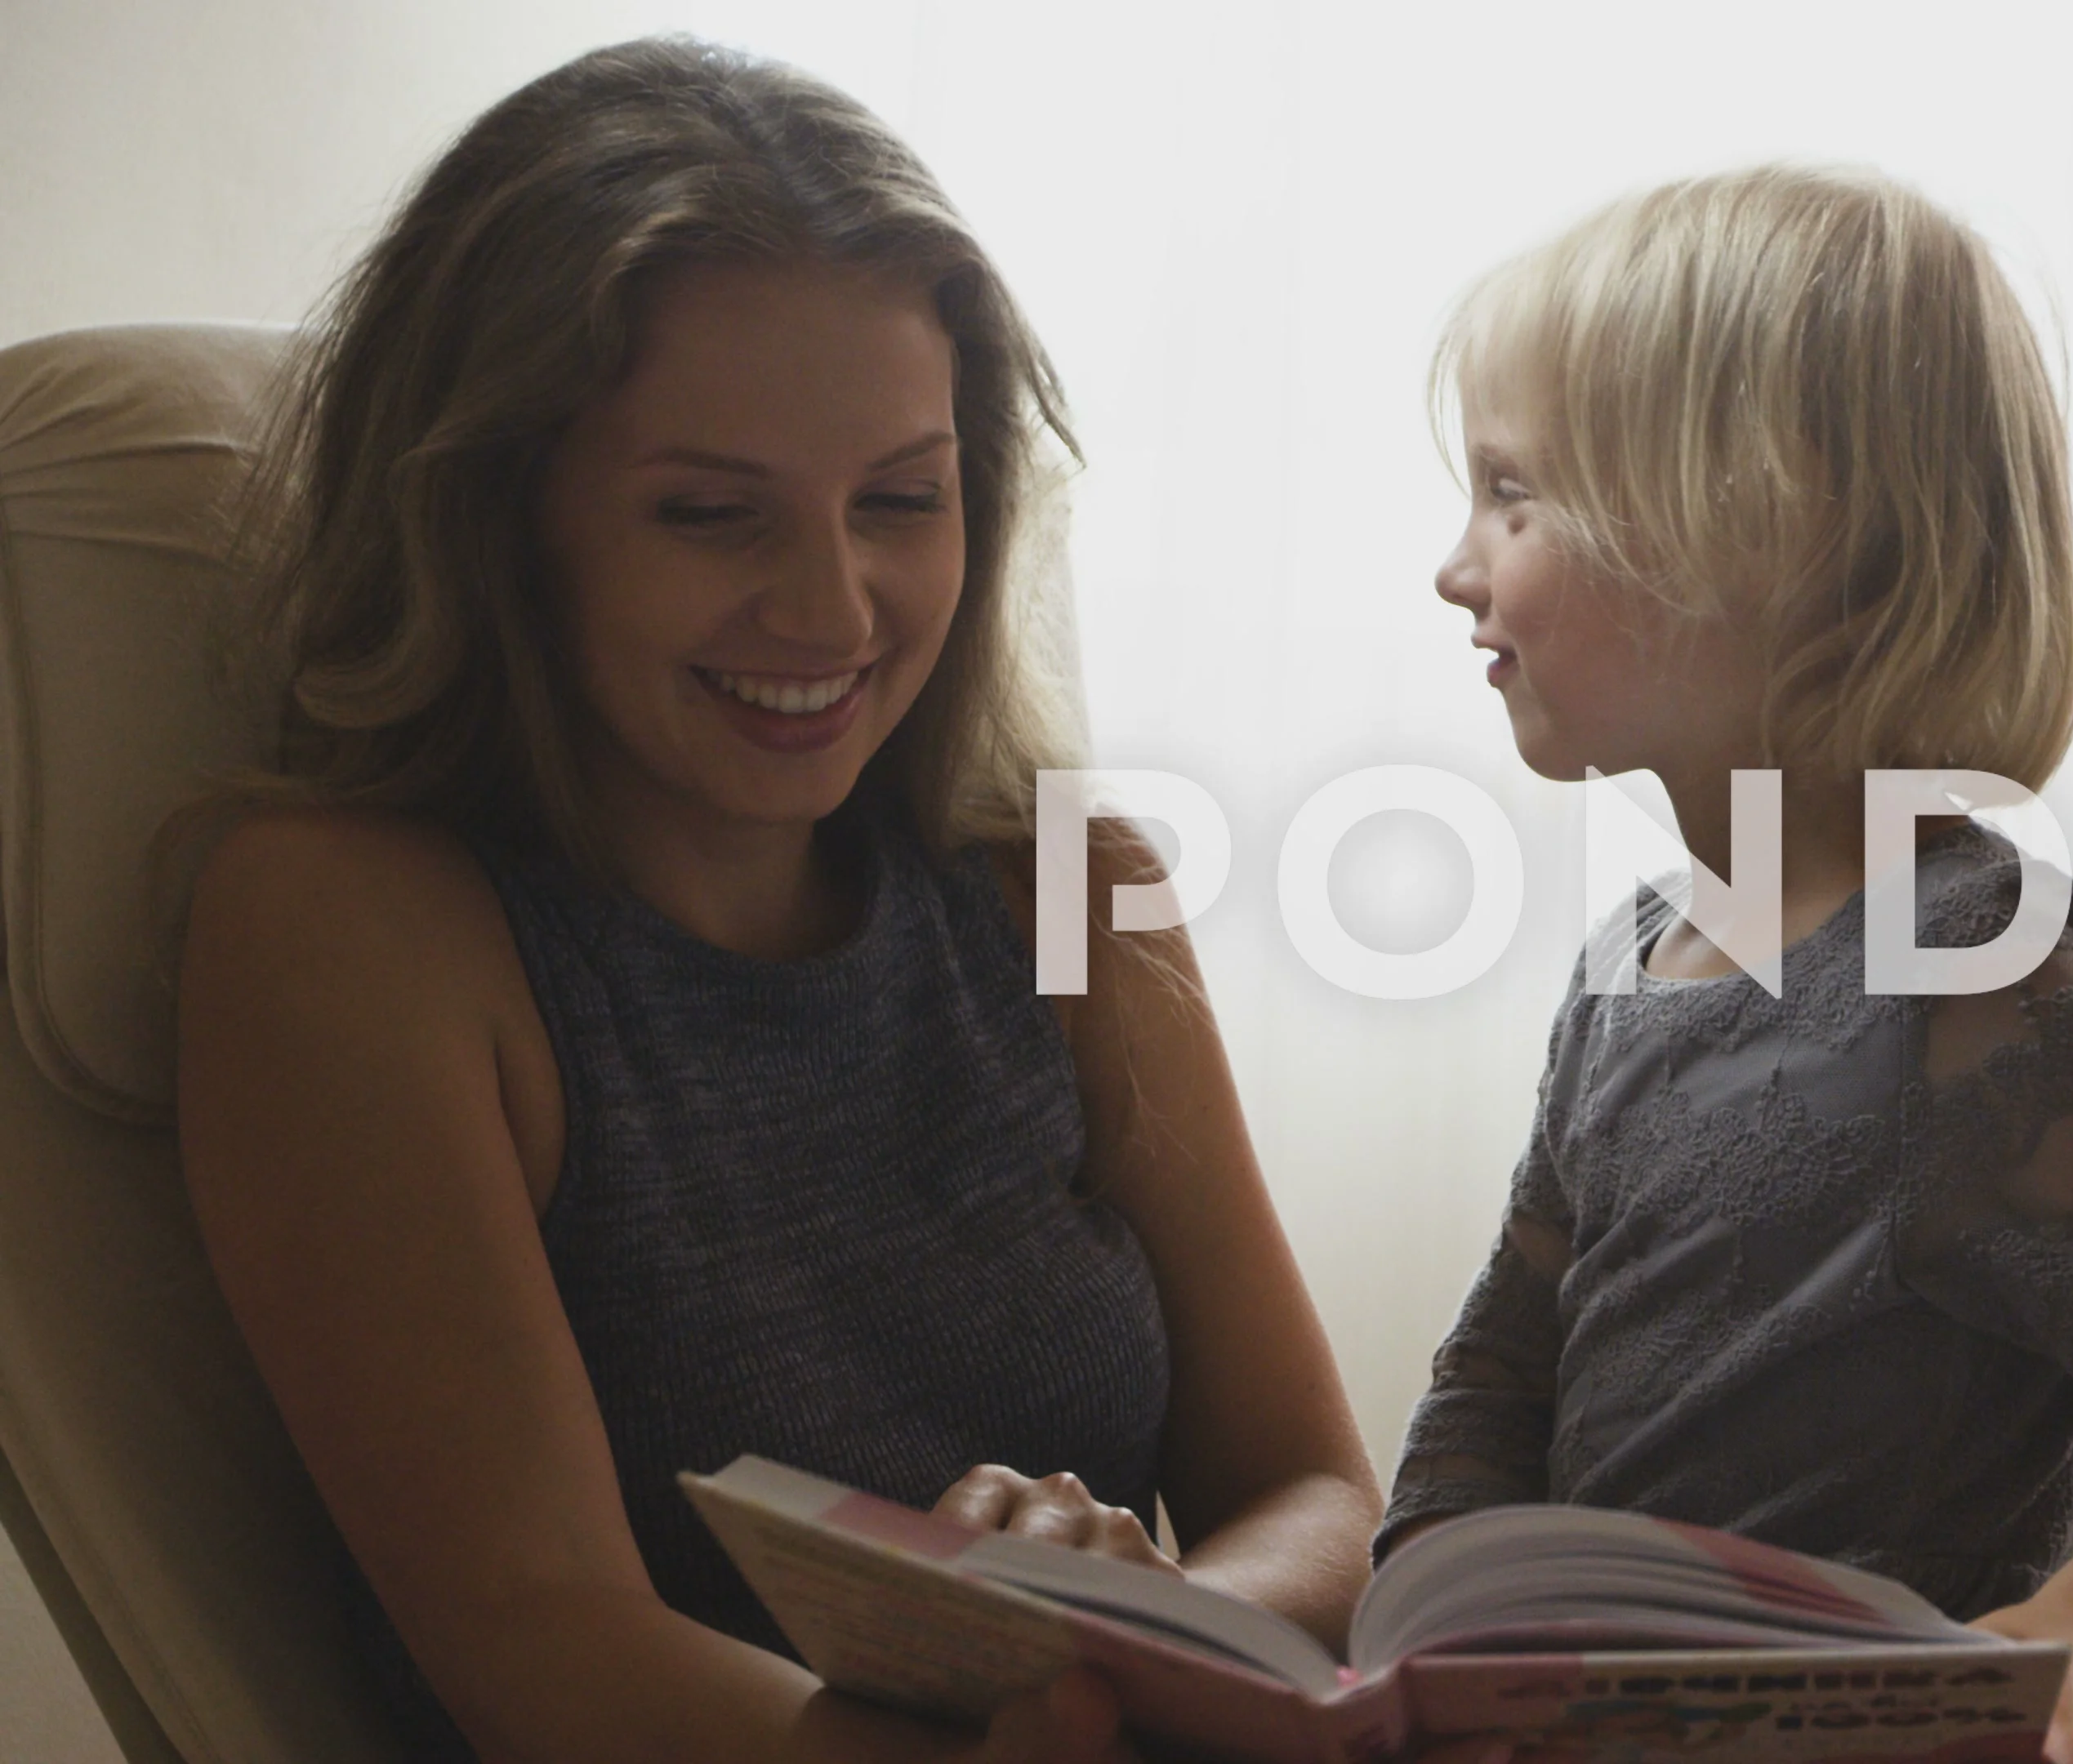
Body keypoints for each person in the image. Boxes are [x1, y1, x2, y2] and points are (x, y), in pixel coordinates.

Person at [172, 38, 1375, 1764]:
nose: (834, 609)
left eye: (901, 499)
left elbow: (1317, 1492)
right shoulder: (354, 930)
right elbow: (538, 1644)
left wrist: (1136, 1627)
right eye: (711, 515)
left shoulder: (1070, 886)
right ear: (501, 523)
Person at [1388, 166, 2073, 1764]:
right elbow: (1498, 1384)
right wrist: (1407, 1651)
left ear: (1754, 526)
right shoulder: (1625, 968)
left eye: (1512, 497)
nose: (1456, 565)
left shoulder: (1966, 978)